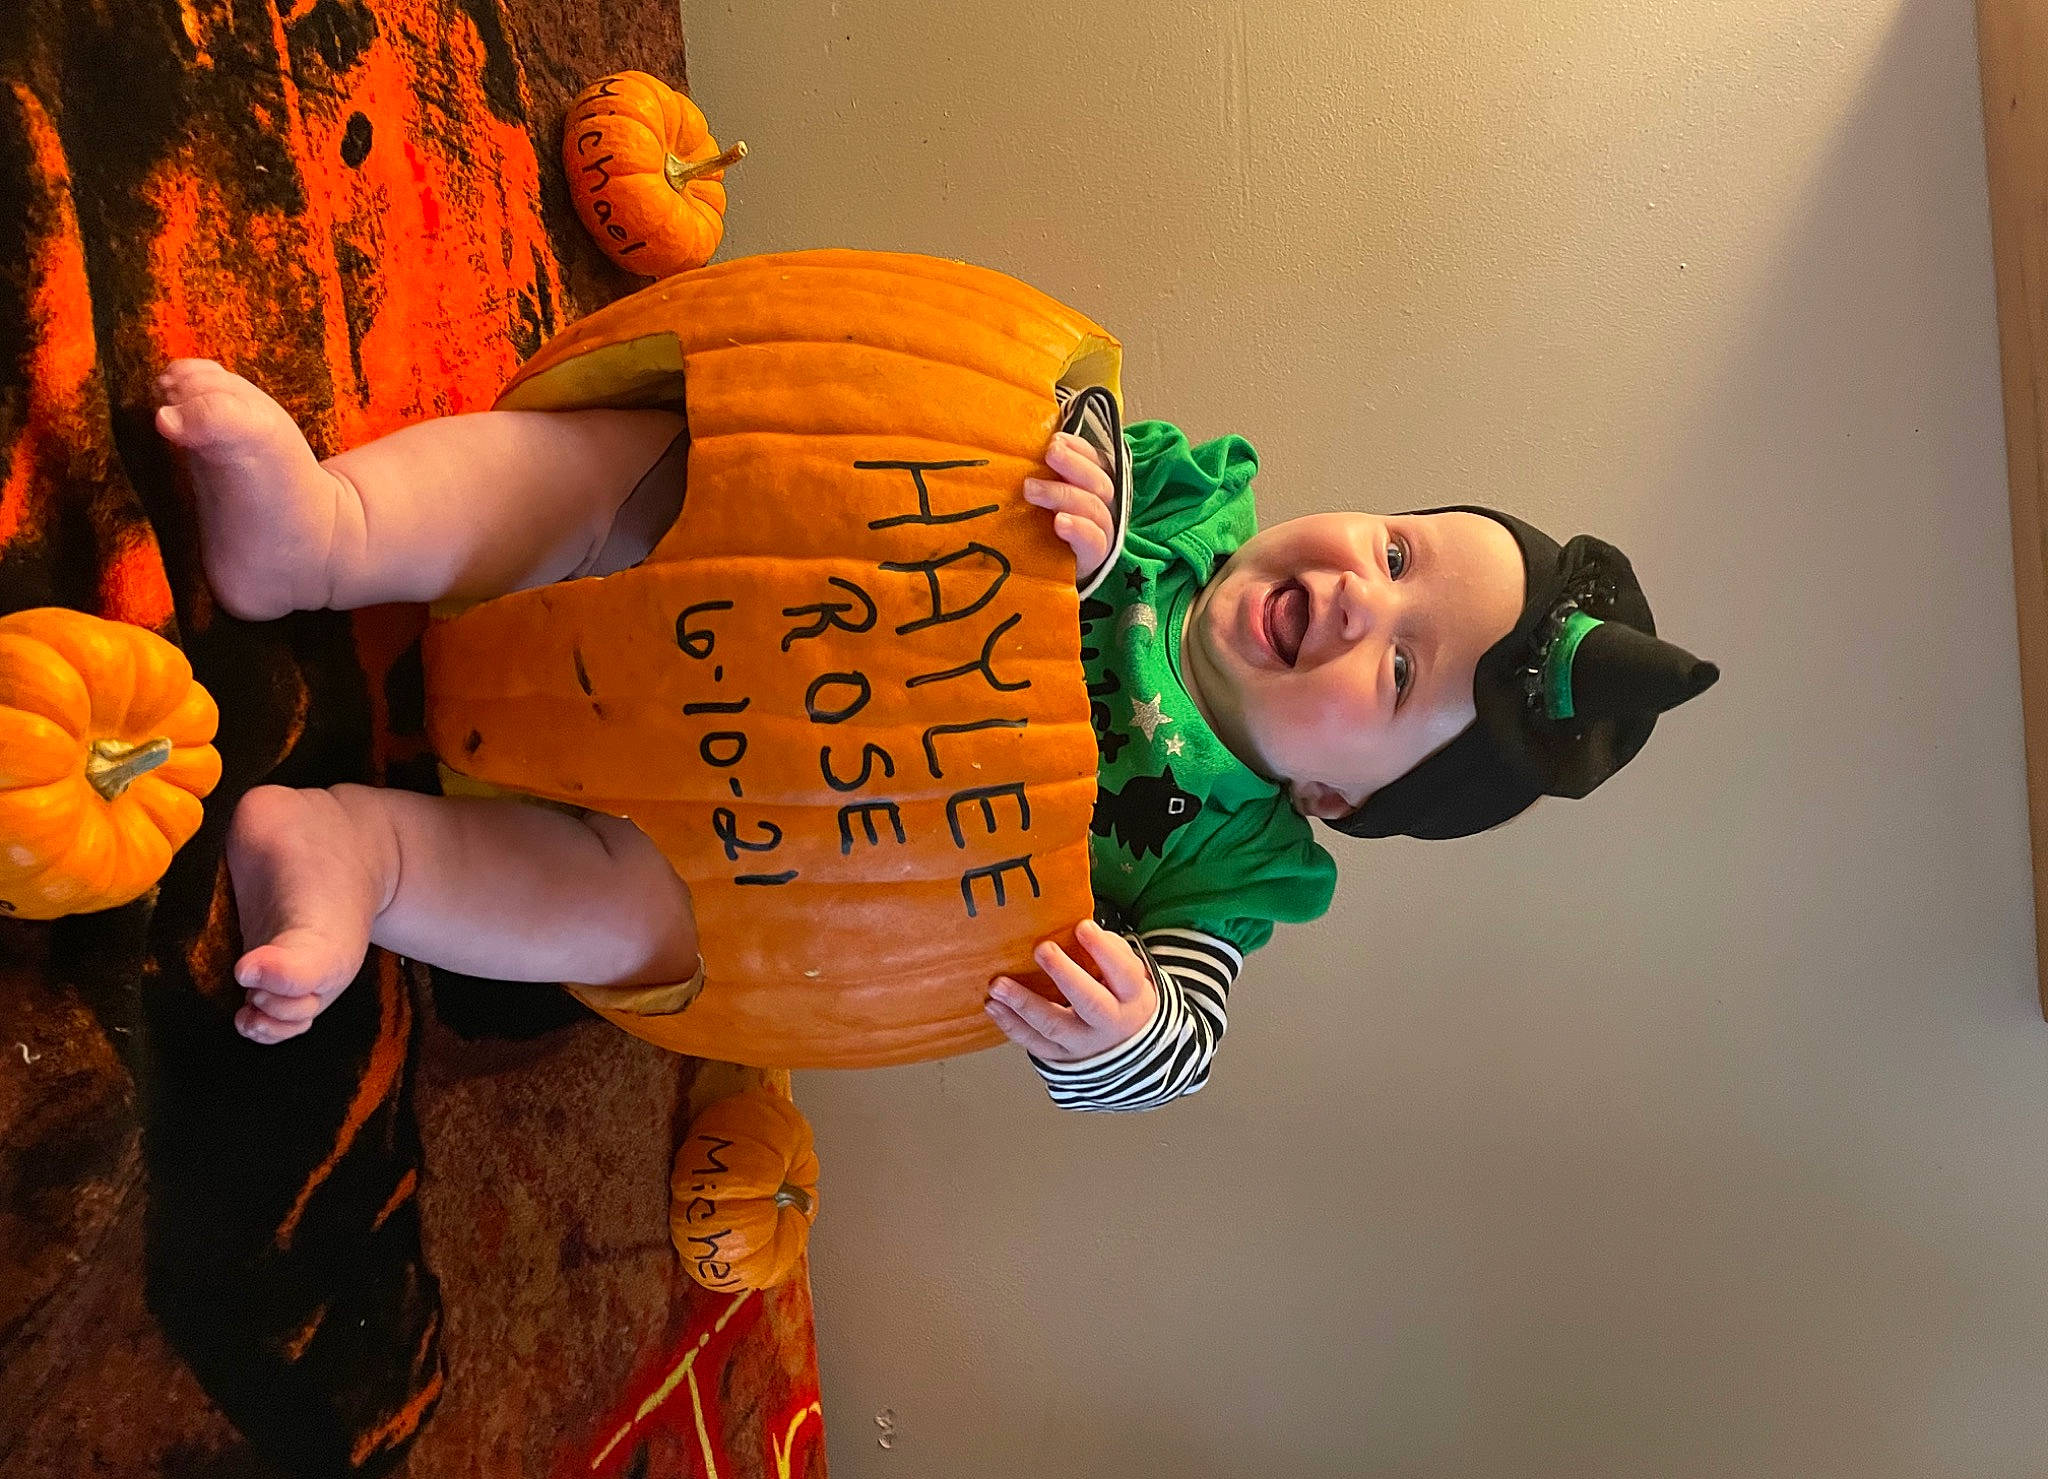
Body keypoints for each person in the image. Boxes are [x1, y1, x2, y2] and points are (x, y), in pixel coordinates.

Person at [153, 357, 1715, 1111]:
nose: (1359, 602)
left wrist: (1123, 1042)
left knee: (624, 916)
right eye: (1392, 551)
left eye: (1398, 676)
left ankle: (365, 856)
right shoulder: (1177, 513)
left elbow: (1188, 1040)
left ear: (1336, 794)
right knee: (633, 465)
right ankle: (336, 529)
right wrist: (1080, 506)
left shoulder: (1239, 865)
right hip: (703, 583)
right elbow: (1055, 407)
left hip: (749, 849)